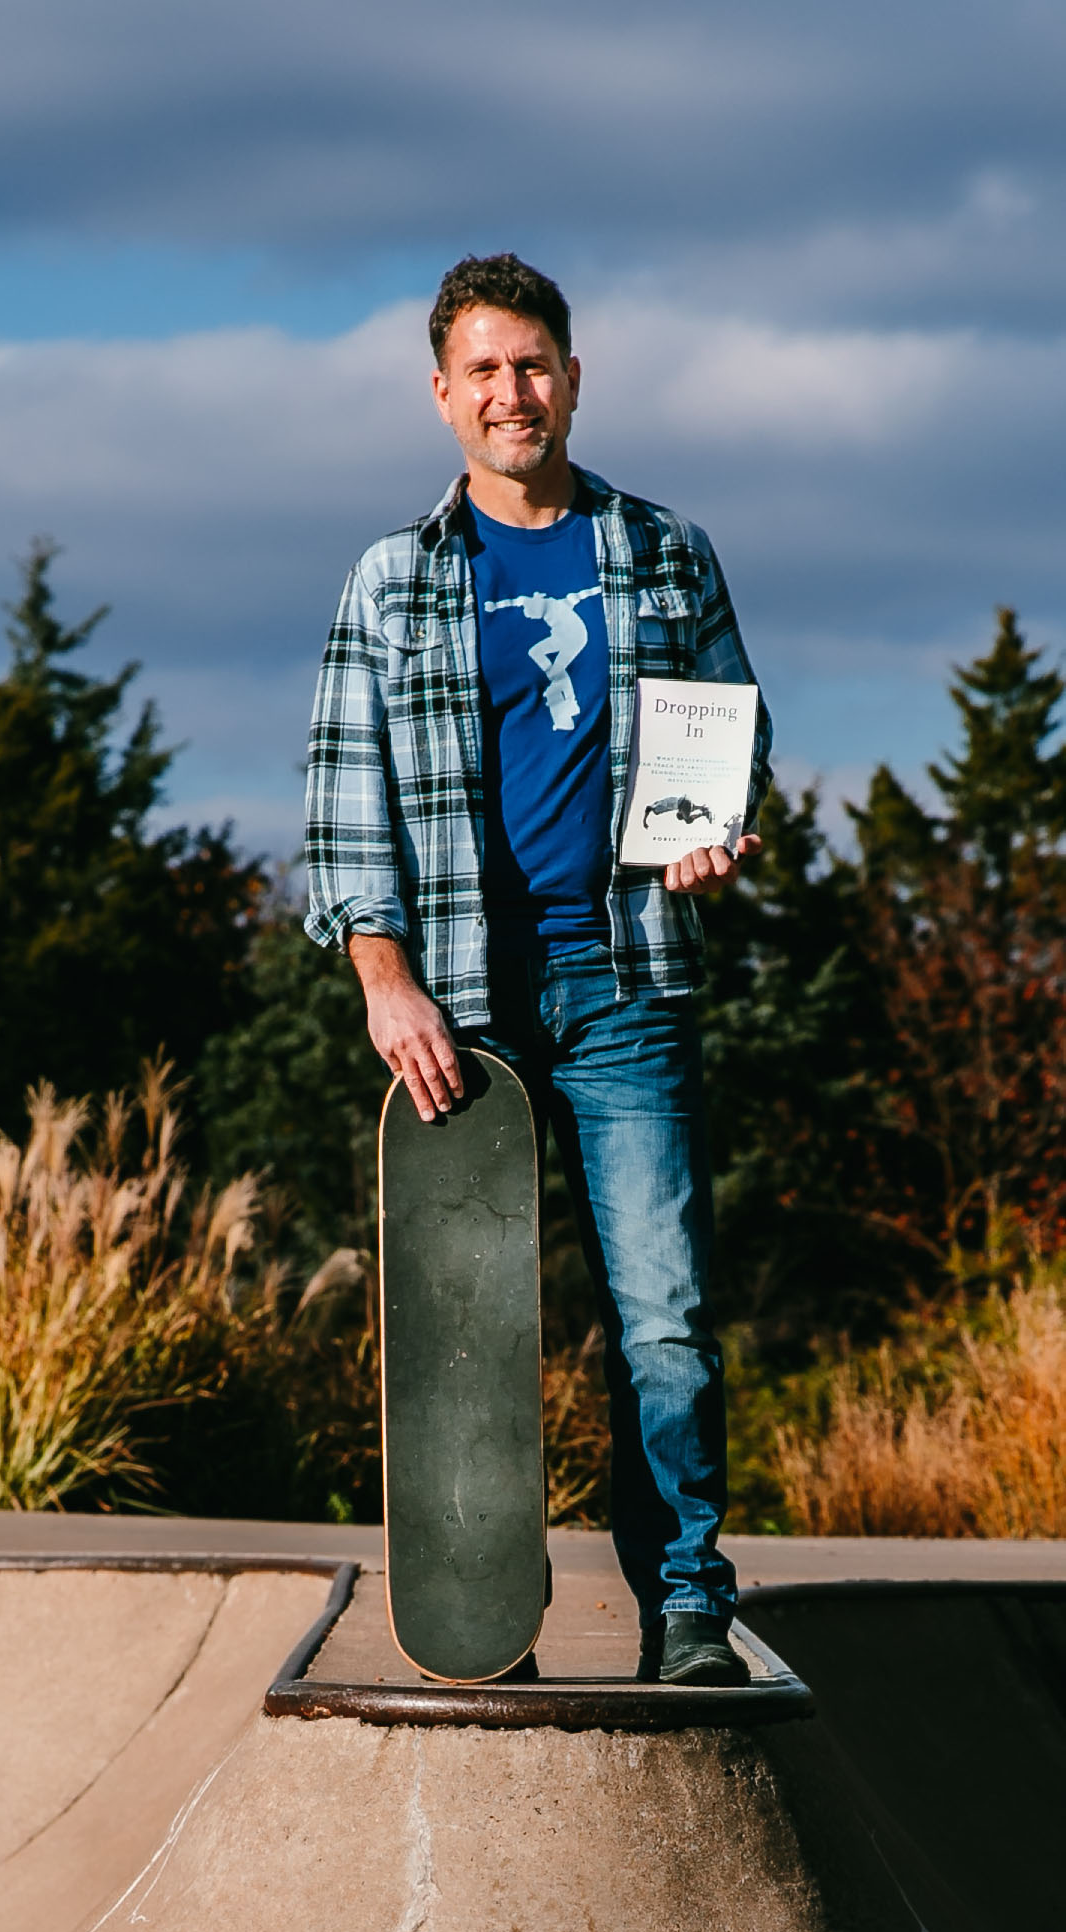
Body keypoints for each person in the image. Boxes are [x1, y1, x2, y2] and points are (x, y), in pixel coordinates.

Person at [304, 253, 772, 1686]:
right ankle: (473, 1605)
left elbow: (734, 735)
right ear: (443, 394)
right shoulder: (393, 577)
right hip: (460, 1003)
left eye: (536, 364)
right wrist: (385, 983)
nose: (515, 392)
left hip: (623, 982)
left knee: (666, 1315)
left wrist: (716, 835)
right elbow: (343, 801)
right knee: (470, 1329)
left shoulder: (663, 551)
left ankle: (685, 1601)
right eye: (486, 370)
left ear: (575, 375)